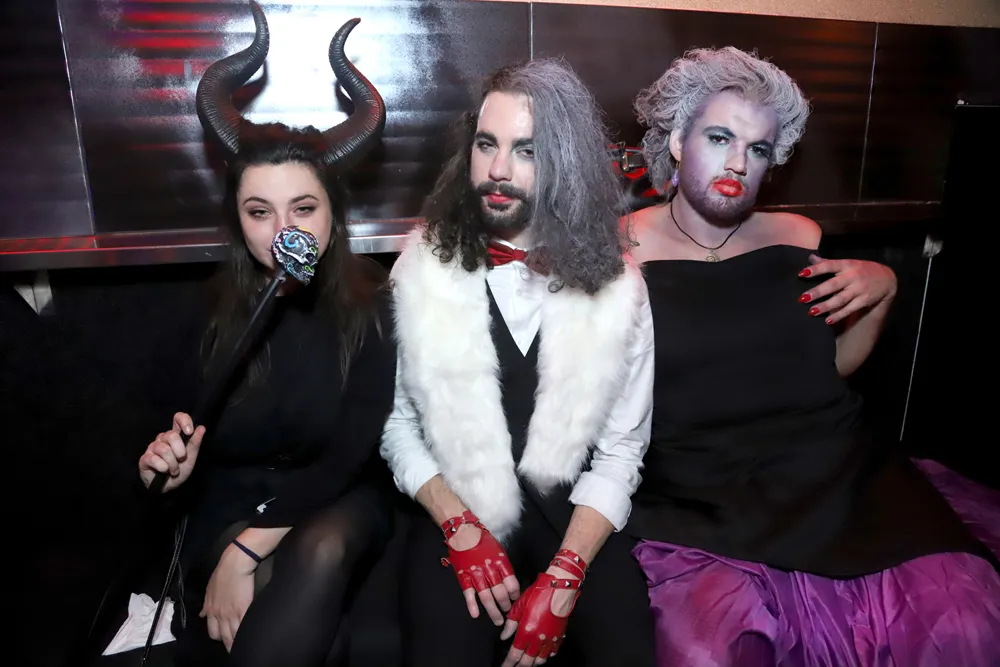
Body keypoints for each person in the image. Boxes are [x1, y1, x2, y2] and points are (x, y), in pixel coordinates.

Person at [623, 46, 1000, 666]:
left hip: (837, 476)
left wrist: (884, 291)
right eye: (719, 138)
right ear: (677, 140)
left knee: (960, 622)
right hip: (701, 495)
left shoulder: (799, 236)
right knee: (712, 648)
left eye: (759, 149)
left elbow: (826, 372)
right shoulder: (619, 252)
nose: (737, 163)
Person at [136, 6, 397, 666]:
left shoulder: (376, 304)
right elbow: (172, 446)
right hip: (229, 502)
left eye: (303, 208)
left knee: (321, 547)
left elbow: (350, 455)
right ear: (238, 220)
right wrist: (166, 468)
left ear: (334, 216)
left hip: (337, 498)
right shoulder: (202, 312)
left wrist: (245, 550)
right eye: (260, 212)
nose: (284, 232)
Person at [380, 58, 657, 667]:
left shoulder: (621, 288)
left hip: (575, 521)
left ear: (565, 162)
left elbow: (622, 450)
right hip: (460, 508)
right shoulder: (421, 267)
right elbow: (398, 426)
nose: (498, 170)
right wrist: (457, 526)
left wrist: (566, 573)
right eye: (487, 145)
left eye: (526, 151)